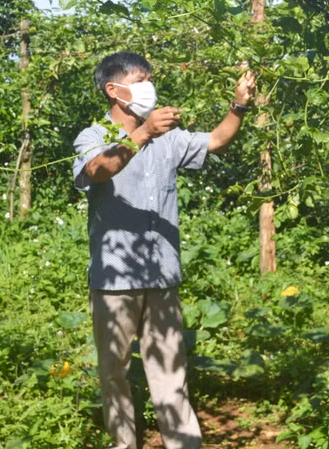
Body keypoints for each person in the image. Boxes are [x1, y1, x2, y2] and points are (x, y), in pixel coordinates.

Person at [72, 51, 256, 449]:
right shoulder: (92, 137)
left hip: (162, 278)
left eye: (150, 79)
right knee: (113, 373)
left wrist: (239, 104)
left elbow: (218, 140)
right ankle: (124, 443)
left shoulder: (169, 140)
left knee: (171, 371)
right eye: (140, 81)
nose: (148, 88)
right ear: (113, 90)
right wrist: (142, 135)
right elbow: (96, 170)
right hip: (115, 281)